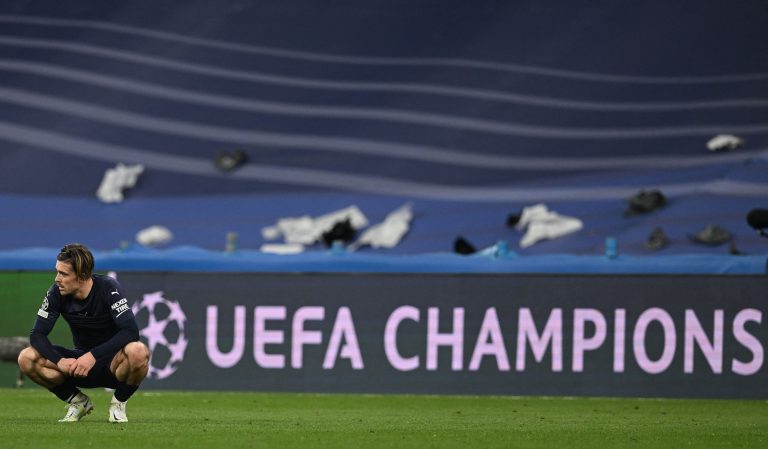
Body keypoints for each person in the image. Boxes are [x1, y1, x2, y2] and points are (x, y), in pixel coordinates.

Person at [17, 243, 150, 423]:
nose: (57, 279)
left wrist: (93, 356)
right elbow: (37, 335)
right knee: (26, 357)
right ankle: (78, 402)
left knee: (138, 351)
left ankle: (118, 404)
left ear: (82, 276)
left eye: (64, 274)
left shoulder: (108, 287)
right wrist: (60, 361)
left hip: (114, 365)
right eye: (57, 272)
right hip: (79, 366)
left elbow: (131, 331)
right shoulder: (56, 293)